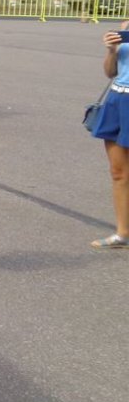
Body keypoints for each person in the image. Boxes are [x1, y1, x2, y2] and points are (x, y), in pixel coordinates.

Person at [90, 23, 129, 249]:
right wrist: (111, 51)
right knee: (118, 172)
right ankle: (122, 233)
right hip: (117, 99)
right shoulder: (125, 27)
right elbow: (110, 72)